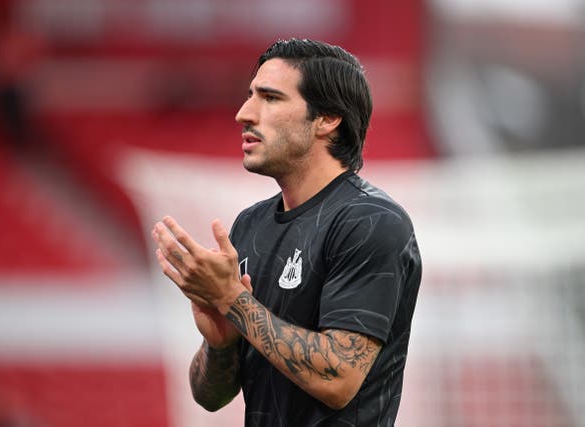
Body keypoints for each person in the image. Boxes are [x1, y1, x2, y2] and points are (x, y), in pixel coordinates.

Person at [152, 38, 422, 426]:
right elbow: (210, 396)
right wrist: (222, 341)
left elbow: (339, 379)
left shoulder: (370, 220)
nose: (244, 113)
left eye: (271, 98)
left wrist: (233, 299)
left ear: (327, 119)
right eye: (250, 96)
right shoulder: (250, 225)